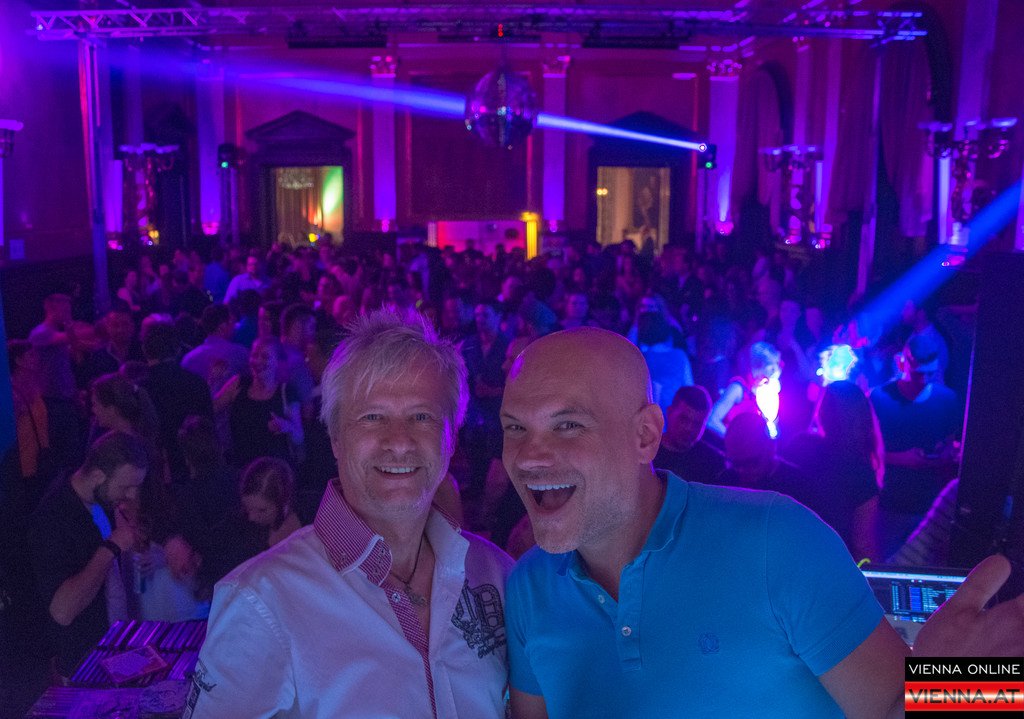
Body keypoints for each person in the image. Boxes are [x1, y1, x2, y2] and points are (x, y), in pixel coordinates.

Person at [500, 327, 1023, 719]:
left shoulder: (777, 540)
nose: (528, 456)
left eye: (568, 425)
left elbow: (893, 707)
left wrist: (963, 684)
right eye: (515, 428)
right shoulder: (527, 588)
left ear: (645, 436)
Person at [186, 310, 513, 719]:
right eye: (372, 417)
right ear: (336, 438)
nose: (399, 442)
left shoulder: (499, 575)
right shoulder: (260, 602)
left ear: (451, 438)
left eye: (422, 416)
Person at [29, 431, 148, 678]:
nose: (132, 495)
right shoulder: (51, 519)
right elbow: (62, 612)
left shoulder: (102, 499)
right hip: (85, 664)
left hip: (116, 648)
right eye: (126, 487)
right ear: (97, 476)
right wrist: (110, 548)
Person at [652, 385, 724, 486]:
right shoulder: (649, 452)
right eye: (684, 419)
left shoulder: (713, 462)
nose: (689, 428)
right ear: (669, 412)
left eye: (697, 423)